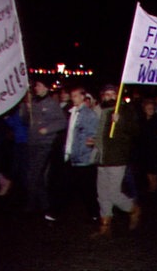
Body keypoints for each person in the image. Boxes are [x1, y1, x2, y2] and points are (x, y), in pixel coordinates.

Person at [91, 84, 141, 238]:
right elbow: (98, 133)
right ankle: (105, 225)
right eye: (107, 94)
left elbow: (135, 130)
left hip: (117, 158)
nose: (110, 96)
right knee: (102, 194)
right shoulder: (99, 110)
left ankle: (133, 209)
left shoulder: (125, 110)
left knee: (113, 193)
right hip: (102, 157)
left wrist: (121, 121)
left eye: (113, 94)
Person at [25, 79, 67, 219]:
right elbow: (27, 121)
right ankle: (44, 204)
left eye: (39, 85)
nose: (36, 87)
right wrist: (27, 109)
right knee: (37, 176)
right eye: (36, 85)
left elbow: (62, 122)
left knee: (33, 174)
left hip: (44, 144)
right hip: (33, 143)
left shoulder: (51, 104)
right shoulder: (35, 103)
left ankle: (30, 205)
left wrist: (47, 130)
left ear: (46, 88)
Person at [57, 86, 100, 222]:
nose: (73, 98)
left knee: (87, 189)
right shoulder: (72, 112)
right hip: (71, 155)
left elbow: (92, 135)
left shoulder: (88, 114)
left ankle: (95, 214)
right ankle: (57, 212)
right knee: (67, 186)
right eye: (72, 95)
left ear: (83, 97)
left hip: (82, 158)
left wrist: (85, 151)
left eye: (76, 95)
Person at [135, 99, 157, 193]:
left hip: (154, 146)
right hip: (144, 146)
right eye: (148, 108)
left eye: (152, 108)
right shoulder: (141, 120)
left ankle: (155, 183)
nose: (150, 110)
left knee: (153, 167)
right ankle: (151, 183)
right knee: (146, 166)